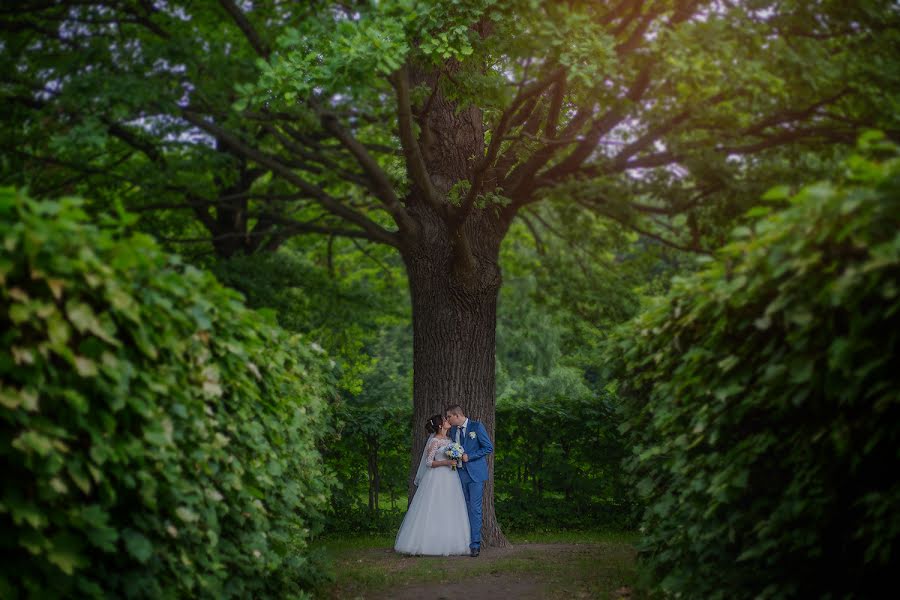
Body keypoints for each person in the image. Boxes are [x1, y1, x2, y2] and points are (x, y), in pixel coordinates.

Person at [394, 414, 471, 555]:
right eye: (445, 420)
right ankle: (427, 544)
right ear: (440, 425)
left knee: (450, 508)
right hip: (437, 478)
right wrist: (446, 462)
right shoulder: (435, 441)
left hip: (451, 478)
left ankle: (451, 542)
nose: (448, 421)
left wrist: (457, 457)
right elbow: (429, 462)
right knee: (434, 507)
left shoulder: (449, 440)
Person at [445, 404, 494, 557]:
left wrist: (470, 456)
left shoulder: (476, 426)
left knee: (475, 509)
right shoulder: (452, 431)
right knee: (461, 509)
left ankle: (475, 545)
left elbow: (488, 448)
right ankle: (460, 542)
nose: (447, 419)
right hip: (458, 474)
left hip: (475, 475)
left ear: (457, 415)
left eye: (449, 417)